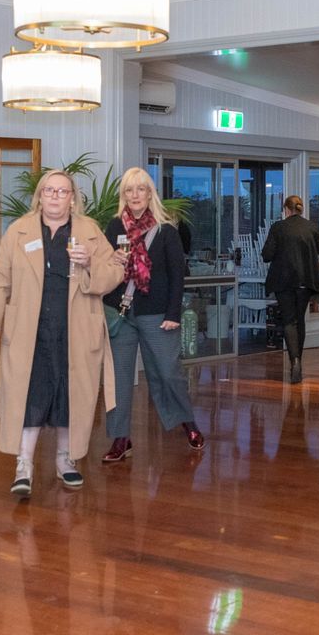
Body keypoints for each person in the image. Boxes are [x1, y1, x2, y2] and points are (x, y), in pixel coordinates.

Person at [0, 170, 127, 499]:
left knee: (69, 394)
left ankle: (66, 460)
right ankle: (24, 464)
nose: (56, 197)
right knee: (29, 393)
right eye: (50, 191)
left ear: (73, 197)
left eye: (62, 191)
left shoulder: (89, 231)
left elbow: (115, 272)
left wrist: (89, 264)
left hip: (76, 330)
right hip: (30, 330)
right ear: (40, 196)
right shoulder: (19, 231)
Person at [100, 167, 204, 462]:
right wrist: (112, 260)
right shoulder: (113, 228)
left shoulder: (166, 230)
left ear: (150, 194)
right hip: (120, 312)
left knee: (168, 373)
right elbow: (102, 272)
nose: (135, 195)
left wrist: (173, 312)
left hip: (157, 313)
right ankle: (121, 438)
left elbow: (177, 276)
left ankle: (188, 422)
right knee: (119, 378)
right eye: (129, 190)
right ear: (124, 196)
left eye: (141, 189)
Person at [261, 195, 319, 384]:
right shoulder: (312, 228)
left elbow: (267, 255)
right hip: (305, 282)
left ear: (286, 209)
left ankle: (294, 361)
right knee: (298, 320)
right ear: (300, 209)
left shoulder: (278, 227)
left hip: (283, 282)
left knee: (288, 321)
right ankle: (298, 361)